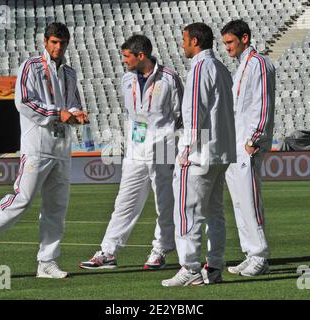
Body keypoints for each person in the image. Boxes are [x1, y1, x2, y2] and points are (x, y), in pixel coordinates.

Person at [0, 22, 88, 279]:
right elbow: (24, 102)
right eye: (54, 42)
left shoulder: (71, 73)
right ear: (45, 41)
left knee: (57, 208)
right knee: (23, 198)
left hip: (62, 147)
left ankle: (47, 262)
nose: (58, 47)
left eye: (62, 43)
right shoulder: (30, 66)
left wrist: (77, 114)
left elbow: (74, 103)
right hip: (37, 147)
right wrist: (58, 113)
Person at [79, 35, 183, 270]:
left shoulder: (169, 78)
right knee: (124, 203)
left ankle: (160, 251)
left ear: (141, 56)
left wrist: (171, 144)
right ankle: (108, 252)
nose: (124, 60)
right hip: (135, 150)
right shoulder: (127, 78)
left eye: (127, 56)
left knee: (165, 204)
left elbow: (180, 116)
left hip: (163, 150)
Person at [162, 23, 236, 286]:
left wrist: (185, 150)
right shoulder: (221, 68)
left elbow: (195, 113)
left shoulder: (200, 68)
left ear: (195, 41)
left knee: (187, 211)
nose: (182, 45)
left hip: (200, 154)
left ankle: (190, 268)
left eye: (184, 40)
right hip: (220, 152)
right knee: (215, 212)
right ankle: (214, 266)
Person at [221, 20, 275, 276]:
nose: (227, 48)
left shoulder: (259, 64)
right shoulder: (241, 66)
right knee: (240, 202)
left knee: (250, 200)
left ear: (245, 38)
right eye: (224, 43)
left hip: (249, 142)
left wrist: (256, 138)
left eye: (230, 42)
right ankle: (250, 252)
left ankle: (260, 255)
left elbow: (264, 102)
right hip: (234, 143)